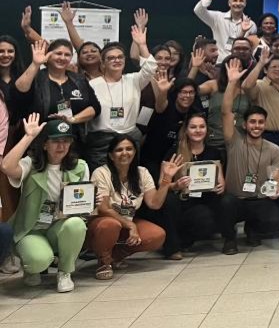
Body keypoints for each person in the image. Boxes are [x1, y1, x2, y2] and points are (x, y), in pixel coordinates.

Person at [1, 116, 86, 293]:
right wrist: (29, 136)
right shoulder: (31, 164)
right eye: (55, 141)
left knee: (76, 224)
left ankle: (65, 272)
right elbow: (7, 166)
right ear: (45, 144)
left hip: (59, 227)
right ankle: (32, 268)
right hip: (31, 229)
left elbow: (82, 206)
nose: (61, 146)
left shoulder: (80, 167)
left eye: (66, 141)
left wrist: (91, 204)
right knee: (38, 261)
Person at [86, 135, 182, 279]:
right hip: (103, 222)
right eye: (119, 150)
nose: (125, 153)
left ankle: (115, 256)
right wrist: (130, 225)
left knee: (157, 235)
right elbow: (103, 208)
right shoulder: (101, 173)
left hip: (126, 222)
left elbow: (154, 203)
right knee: (110, 225)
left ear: (135, 152)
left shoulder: (142, 172)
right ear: (111, 156)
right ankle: (103, 262)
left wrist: (166, 179)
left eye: (129, 149)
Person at [220, 59, 279, 253]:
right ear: (245, 124)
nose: (257, 126)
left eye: (260, 122)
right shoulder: (234, 140)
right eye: (253, 122)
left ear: (265, 124)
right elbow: (226, 112)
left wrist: (277, 189)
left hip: (258, 198)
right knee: (226, 203)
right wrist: (232, 82)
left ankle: (252, 229)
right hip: (236, 199)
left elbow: (276, 177)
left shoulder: (274, 149)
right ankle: (229, 239)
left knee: (274, 221)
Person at [84, 29, 160, 169]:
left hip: (128, 138)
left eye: (120, 57)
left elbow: (151, 68)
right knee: (101, 178)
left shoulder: (134, 80)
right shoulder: (92, 85)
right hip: (101, 142)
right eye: (111, 58)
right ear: (103, 63)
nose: (117, 60)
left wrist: (142, 45)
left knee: (128, 177)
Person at [160, 112, 232, 257]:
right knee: (169, 201)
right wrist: (175, 185)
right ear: (186, 130)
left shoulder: (214, 152)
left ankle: (187, 240)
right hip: (182, 201)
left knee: (215, 209)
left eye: (201, 127)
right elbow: (161, 184)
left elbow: (221, 181)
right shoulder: (175, 151)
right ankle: (172, 247)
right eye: (193, 127)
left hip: (205, 202)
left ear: (207, 129)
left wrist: (221, 187)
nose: (198, 130)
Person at [13, 39, 99, 145]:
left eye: (67, 55)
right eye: (58, 53)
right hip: (40, 141)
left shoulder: (79, 80)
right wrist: (35, 64)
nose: (62, 58)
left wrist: (72, 119)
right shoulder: (36, 78)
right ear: (48, 55)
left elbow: (95, 107)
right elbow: (19, 91)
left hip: (74, 141)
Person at [193, 0, 257, 61]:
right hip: (219, 63)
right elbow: (198, 10)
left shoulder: (251, 24)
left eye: (241, 1)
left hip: (241, 64)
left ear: (245, 4)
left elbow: (250, 47)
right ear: (229, 3)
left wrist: (243, 32)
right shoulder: (217, 18)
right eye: (235, 0)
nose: (238, 3)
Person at [242, 54, 279, 152]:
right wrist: (260, 63)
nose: (278, 69)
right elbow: (246, 86)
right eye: (274, 67)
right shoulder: (260, 85)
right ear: (265, 70)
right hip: (268, 136)